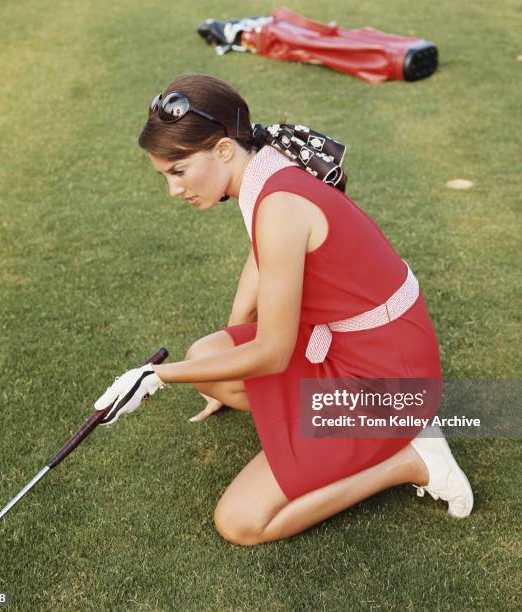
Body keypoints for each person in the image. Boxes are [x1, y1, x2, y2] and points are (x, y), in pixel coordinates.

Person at [94, 73, 473, 546]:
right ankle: (328, 431)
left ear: (224, 150)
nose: (174, 189)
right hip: (352, 346)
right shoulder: (263, 166)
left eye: (179, 171)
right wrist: (219, 362)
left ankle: (411, 461)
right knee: (207, 355)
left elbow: (273, 353)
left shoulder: (279, 202)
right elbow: (263, 257)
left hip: (386, 374)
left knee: (240, 521)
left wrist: (156, 377)